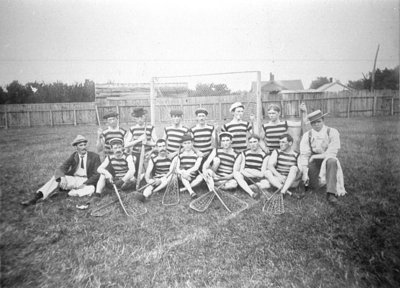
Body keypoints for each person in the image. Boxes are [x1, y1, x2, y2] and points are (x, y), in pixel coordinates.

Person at [20, 135, 101, 206]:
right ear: (76, 147)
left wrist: (85, 183)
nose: (84, 147)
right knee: (56, 178)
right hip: (74, 178)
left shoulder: (94, 156)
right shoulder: (74, 156)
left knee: (91, 189)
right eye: (81, 145)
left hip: (86, 180)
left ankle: (69, 193)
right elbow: (61, 168)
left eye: (85, 145)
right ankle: (37, 197)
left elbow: (97, 174)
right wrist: (62, 177)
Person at [299, 110, 346, 204]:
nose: (316, 124)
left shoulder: (332, 132)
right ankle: (311, 182)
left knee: (332, 161)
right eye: (313, 123)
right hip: (314, 161)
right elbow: (304, 155)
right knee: (315, 187)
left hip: (327, 159)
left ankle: (331, 193)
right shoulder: (307, 135)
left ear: (323, 120)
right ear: (311, 124)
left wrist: (316, 157)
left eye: (319, 121)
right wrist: (305, 172)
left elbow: (332, 151)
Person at [233, 134, 270, 199]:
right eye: (251, 142)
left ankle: (244, 187)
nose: (253, 144)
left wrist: (248, 170)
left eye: (255, 142)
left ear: (259, 142)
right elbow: (241, 170)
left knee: (267, 184)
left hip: (257, 179)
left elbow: (261, 174)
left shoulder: (265, 156)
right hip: (246, 177)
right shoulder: (245, 153)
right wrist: (249, 173)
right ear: (248, 144)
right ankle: (252, 193)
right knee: (236, 174)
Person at [125, 107, 157, 180]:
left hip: (147, 153)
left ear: (144, 117)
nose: (139, 119)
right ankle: (138, 178)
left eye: (141, 117)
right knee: (135, 176)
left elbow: (156, 143)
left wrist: (148, 143)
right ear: (135, 119)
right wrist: (138, 140)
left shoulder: (150, 128)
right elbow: (126, 144)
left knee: (151, 173)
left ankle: (149, 177)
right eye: (137, 118)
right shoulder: (132, 129)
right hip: (136, 154)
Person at [171, 134, 203, 199]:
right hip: (183, 178)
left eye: (189, 143)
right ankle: (191, 192)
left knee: (201, 177)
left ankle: (184, 189)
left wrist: (187, 172)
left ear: (192, 143)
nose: (187, 145)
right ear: (182, 145)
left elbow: (196, 167)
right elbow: (177, 168)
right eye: (185, 143)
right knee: (182, 174)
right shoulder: (179, 156)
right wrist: (183, 173)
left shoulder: (197, 156)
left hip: (193, 177)